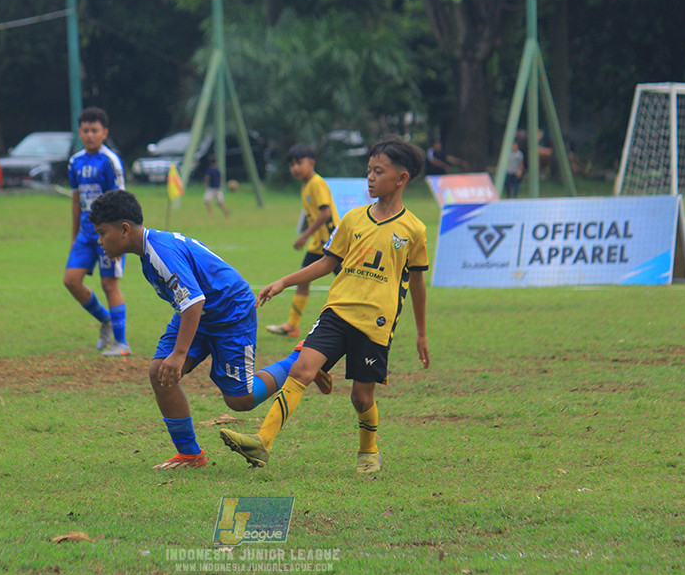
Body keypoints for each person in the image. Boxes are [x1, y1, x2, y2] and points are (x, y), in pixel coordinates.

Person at [220, 137, 431, 474]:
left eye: (379, 171)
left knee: (361, 398)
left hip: (375, 324)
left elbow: (417, 283)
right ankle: (262, 442)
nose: (371, 178)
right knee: (302, 369)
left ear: (402, 178)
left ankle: (369, 450)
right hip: (336, 313)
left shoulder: (414, 230)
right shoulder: (353, 219)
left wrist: (421, 334)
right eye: (369, 171)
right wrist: (284, 281)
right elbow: (327, 262)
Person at [88, 189, 332, 470]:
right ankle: (191, 455)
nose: (99, 241)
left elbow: (194, 302)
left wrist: (179, 355)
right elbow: (190, 303)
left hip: (230, 312)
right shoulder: (148, 252)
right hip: (199, 311)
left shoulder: (160, 252)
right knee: (160, 372)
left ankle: (300, 360)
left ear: (124, 229)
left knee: (240, 400)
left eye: (102, 233)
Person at [63, 107, 131, 356]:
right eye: (86, 131)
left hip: (109, 234)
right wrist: (73, 236)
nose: (90, 135)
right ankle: (105, 320)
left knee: (108, 284)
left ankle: (122, 343)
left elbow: (121, 199)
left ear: (104, 133)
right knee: (71, 280)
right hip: (85, 233)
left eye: (95, 131)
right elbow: (75, 200)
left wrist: (119, 238)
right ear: (79, 133)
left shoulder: (110, 161)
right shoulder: (76, 161)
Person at [265, 143, 341, 338]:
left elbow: (325, 213)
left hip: (334, 243)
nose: (295, 168)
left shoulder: (316, 183)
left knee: (349, 281)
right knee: (303, 281)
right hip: (319, 244)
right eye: (291, 164)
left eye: (299, 163)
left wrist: (305, 235)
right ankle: (292, 325)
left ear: (311, 163)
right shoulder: (306, 185)